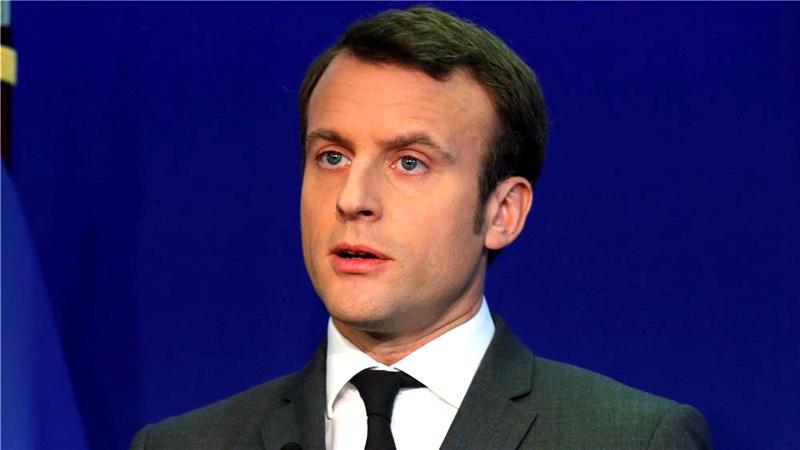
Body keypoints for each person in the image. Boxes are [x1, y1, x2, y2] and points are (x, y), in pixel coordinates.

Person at [132, 6, 711, 449]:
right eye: (332, 156)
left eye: (409, 162)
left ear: (503, 212)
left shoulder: (629, 438)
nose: (353, 199)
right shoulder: (182, 444)